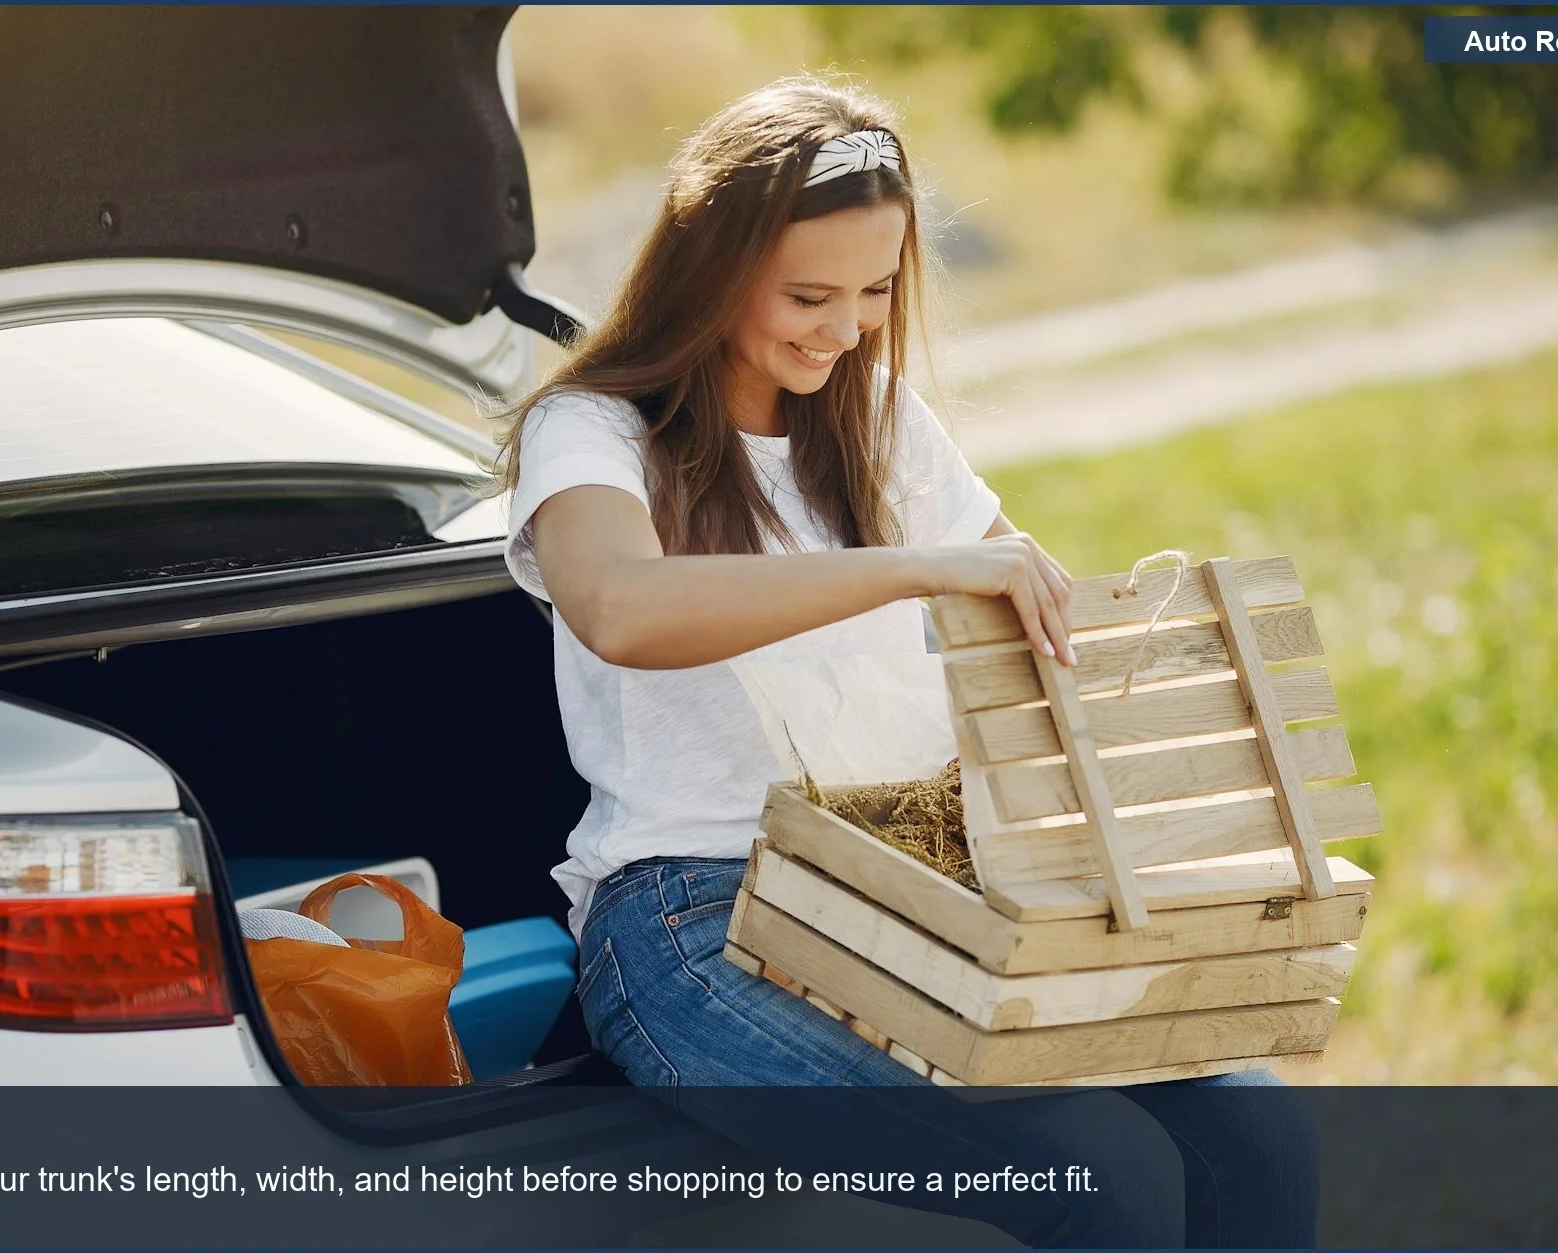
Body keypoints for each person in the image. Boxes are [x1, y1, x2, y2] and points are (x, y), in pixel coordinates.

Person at [497, 76, 1319, 1248]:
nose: (845, 327)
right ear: (711, 269)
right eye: (807, 295)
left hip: (918, 883)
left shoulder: (872, 418)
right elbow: (619, 607)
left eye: (875, 291)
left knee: (1257, 1132)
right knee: (1092, 1175)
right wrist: (913, 566)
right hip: (693, 918)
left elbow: (1038, 613)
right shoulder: (590, 430)